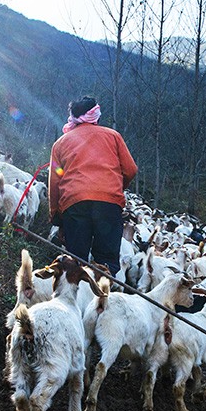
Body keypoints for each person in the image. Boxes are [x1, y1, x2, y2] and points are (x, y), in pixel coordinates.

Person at [48, 96, 137, 277]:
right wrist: (115, 191)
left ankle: (77, 298)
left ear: (72, 116)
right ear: (96, 114)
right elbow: (130, 170)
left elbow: (55, 182)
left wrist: (56, 217)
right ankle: (102, 300)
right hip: (109, 205)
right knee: (106, 262)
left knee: (75, 261)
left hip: (75, 204)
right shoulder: (113, 136)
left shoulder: (60, 144)